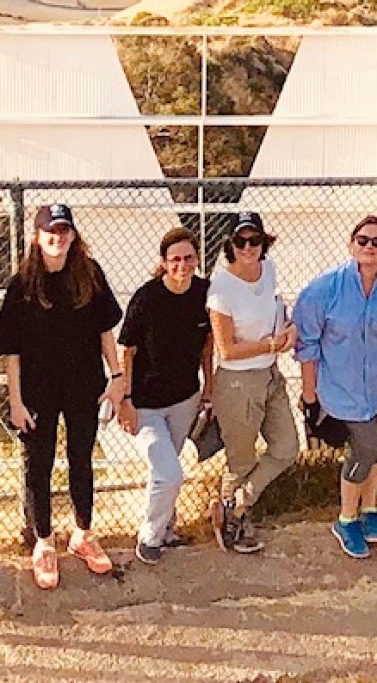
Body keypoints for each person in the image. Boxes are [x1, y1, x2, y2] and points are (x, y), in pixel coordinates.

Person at [0, 204, 123, 590]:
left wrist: (117, 376)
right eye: (50, 231)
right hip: (38, 391)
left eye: (64, 230)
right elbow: (12, 352)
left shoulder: (89, 274)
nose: (58, 237)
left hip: (84, 385)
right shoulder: (22, 285)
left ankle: (83, 534)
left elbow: (106, 332)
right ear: (36, 236)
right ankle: (44, 543)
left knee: (81, 458)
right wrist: (16, 402)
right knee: (39, 464)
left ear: (72, 234)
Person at [293, 216, 377, 559]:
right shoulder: (326, 288)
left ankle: (369, 510)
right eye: (363, 240)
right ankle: (346, 519)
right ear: (351, 244)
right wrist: (309, 393)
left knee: (371, 450)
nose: (369, 247)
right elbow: (307, 340)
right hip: (340, 389)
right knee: (366, 450)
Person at [117, 228, 214, 566]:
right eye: (175, 259)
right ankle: (150, 537)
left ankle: (168, 528)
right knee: (168, 473)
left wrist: (209, 388)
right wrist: (124, 400)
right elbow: (126, 351)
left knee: (166, 469)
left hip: (185, 397)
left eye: (189, 258)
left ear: (197, 259)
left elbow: (208, 345)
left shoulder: (205, 293)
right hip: (145, 404)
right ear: (163, 263)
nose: (182, 265)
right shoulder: (146, 300)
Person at [207, 210, 299, 554]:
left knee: (287, 447)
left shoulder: (269, 270)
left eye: (254, 241)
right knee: (241, 460)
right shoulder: (222, 289)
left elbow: (275, 311)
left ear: (264, 243)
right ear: (231, 245)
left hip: (270, 375)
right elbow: (226, 349)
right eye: (241, 241)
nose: (248, 248)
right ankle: (231, 522)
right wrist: (271, 345)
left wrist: (287, 330)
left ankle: (234, 505)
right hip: (238, 383)